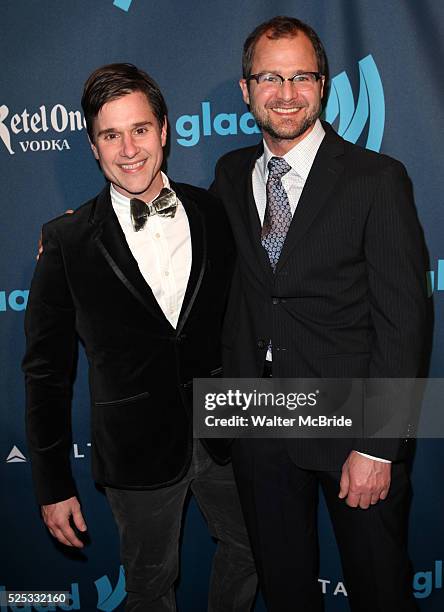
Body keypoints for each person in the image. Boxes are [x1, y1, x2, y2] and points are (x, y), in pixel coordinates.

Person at [211, 16, 427, 612]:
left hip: (353, 427)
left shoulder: (376, 179)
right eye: (270, 77)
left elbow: (405, 321)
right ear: (245, 88)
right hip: (258, 425)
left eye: (302, 76)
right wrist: (74, 234)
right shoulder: (230, 175)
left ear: (325, 84)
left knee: (381, 593)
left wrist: (379, 446)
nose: (287, 93)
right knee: (285, 595)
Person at [23, 63, 257, 612]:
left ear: (165, 130)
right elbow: (46, 373)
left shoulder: (217, 212)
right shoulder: (67, 241)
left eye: (140, 129)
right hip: (135, 449)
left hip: (228, 429)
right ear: (92, 146)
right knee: (149, 586)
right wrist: (52, 483)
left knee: (252, 550)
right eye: (111, 135)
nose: (128, 149)